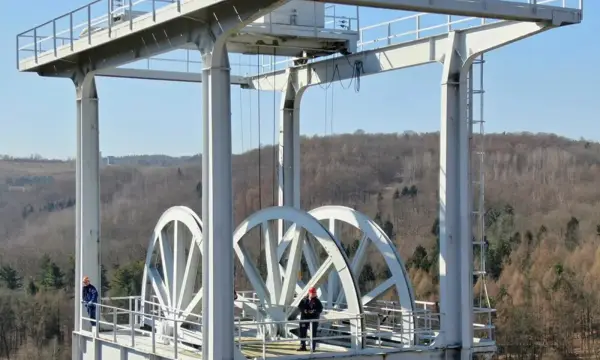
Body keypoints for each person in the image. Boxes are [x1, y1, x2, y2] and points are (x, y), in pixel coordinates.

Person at [297, 287, 323, 352]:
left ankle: (313, 348)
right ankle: (302, 346)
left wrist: (314, 311)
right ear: (309, 293)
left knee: (313, 333)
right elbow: (300, 307)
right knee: (302, 332)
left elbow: (320, 309)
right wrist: (304, 310)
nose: (313, 294)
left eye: (314, 293)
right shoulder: (304, 300)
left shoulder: (317, 301)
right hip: (304, 318)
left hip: (313, 319)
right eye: (312, 293)